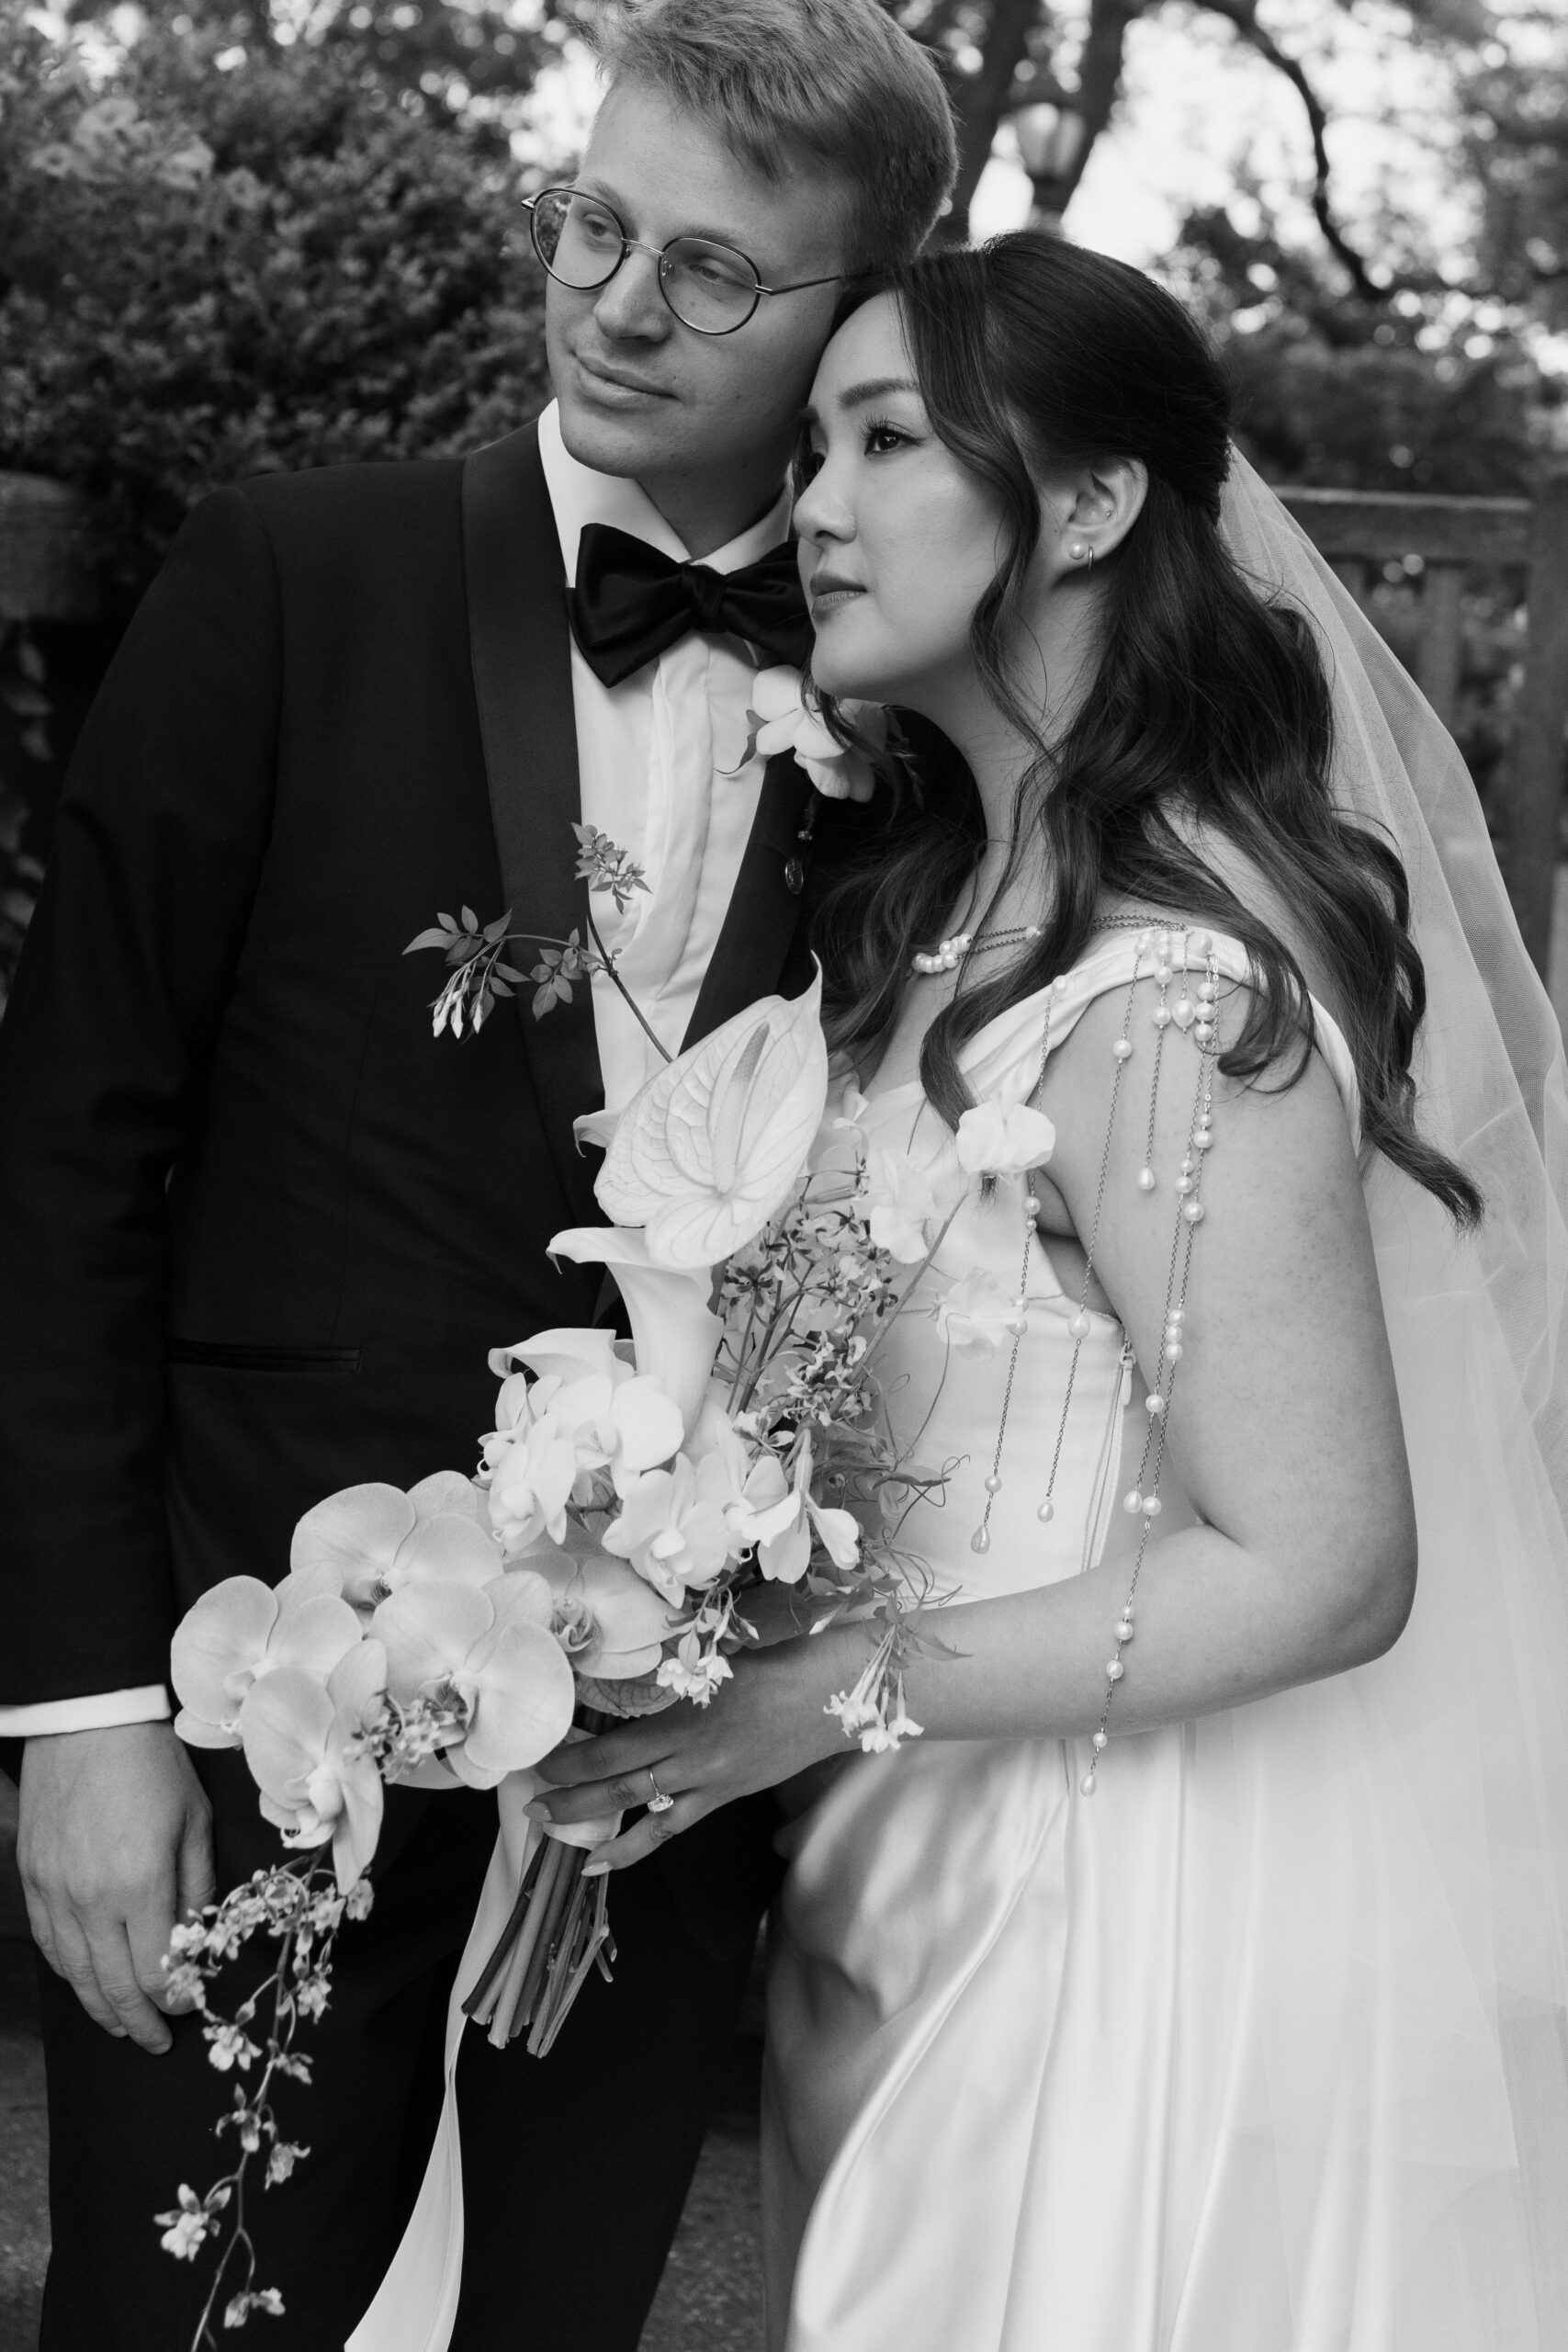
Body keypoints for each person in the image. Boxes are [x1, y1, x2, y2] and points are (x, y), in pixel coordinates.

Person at [0, 8, 956, 2346]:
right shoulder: (278, 581)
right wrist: (80, 1709)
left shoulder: (928, 721)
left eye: (716, 275)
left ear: (859, 318)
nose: (618, 303)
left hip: (659, 1806)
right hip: (246, 1740)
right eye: (596, 225)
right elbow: (63, 1160)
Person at [532, 234, 1568, 2348]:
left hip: (1112, 1922)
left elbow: (1322, 1564)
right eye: (813, 443)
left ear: (1088, 505)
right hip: (908, 1877)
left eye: (888, 439)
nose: (813, 504)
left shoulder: (1175, 984)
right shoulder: (934, 912)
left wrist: (790, 1697)